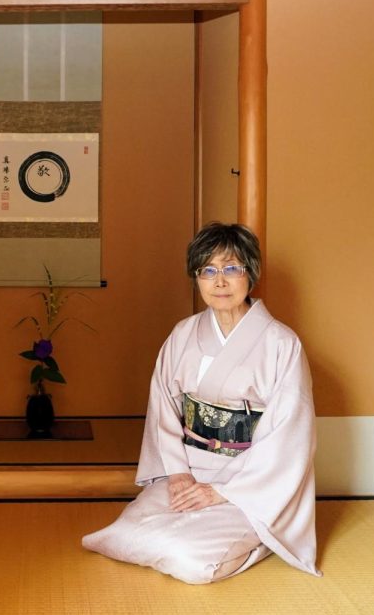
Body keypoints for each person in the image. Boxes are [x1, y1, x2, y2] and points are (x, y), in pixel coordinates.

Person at [82, 222, 320, 584]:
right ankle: (213, 527)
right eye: (207, 270)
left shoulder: (281, 344)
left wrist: (220, 492)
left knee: (191, 561)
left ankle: (262, 535)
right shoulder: (183, 335)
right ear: (197, 278)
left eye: (231, 268)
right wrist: (178, 474)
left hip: (247, 482)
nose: (219, 281)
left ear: (250, 273)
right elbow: (163, 408)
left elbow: (289, 433)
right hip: (188, 471)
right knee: (121, 535)